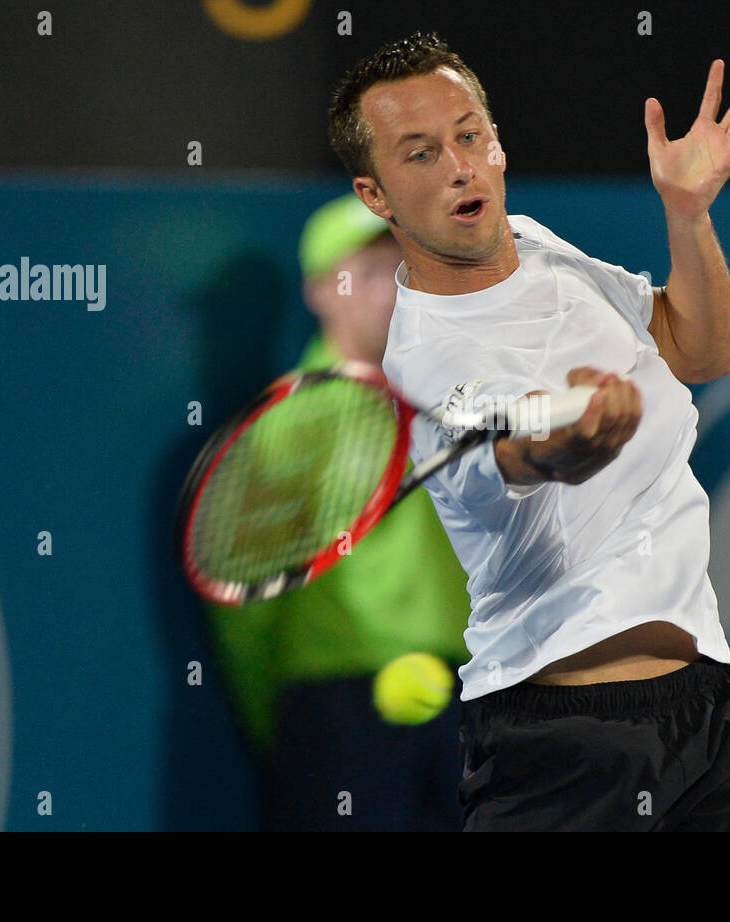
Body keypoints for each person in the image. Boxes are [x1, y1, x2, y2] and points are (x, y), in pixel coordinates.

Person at [325, 31, 730, 831]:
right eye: (419, 154)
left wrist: (687, 217)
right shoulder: (426, 361)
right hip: (557, 748)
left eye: (469, 135)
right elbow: (521, 453)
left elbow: (702, 348)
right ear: (375, 196)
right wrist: (578, 440)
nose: (459, 166)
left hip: (708, 715)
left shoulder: (544, 248)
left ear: (496, 141)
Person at [202, 192, 473, 831]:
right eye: (369, 274)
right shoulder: (282, 427)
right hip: (338, 713)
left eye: (404, 270)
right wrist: (298, 718)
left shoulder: (469, 400)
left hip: (475, 699)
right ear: (320, 291)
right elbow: (242, 606)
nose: (390, 292)